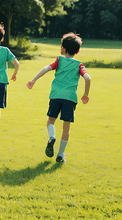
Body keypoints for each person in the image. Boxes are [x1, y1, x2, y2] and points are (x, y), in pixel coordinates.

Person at [27, 32, 91, 162]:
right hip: (70, 98)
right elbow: (87, 78)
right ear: (77, 51)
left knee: (51, 121)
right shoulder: (79, 64)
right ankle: (61, 155)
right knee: (66, 128)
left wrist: (33, 80)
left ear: (63, 49)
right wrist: (85, 94)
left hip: (56, 96)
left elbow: (46, 69)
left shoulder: (59, 60)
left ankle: (52, 137)